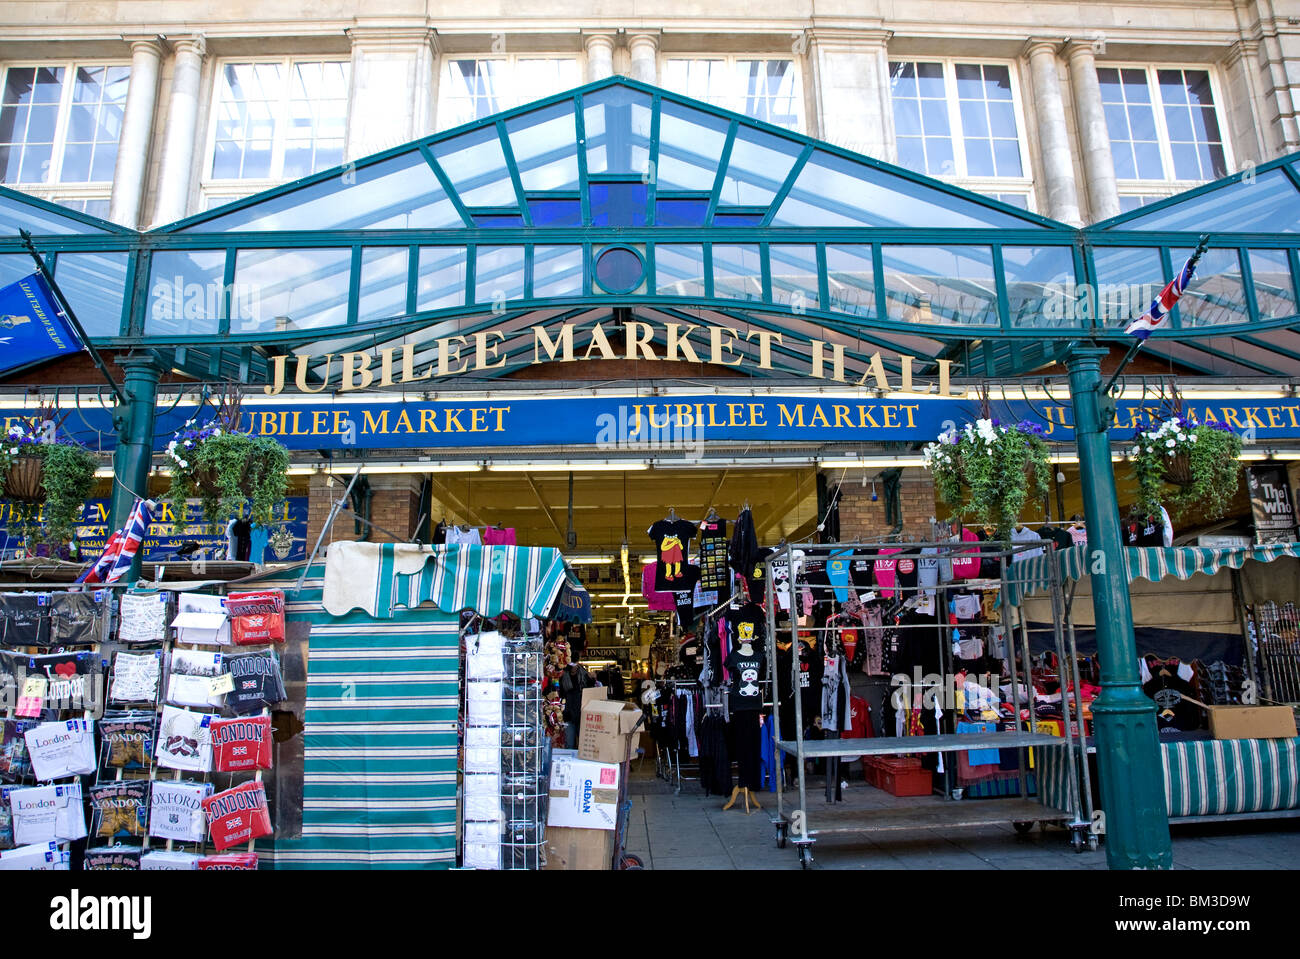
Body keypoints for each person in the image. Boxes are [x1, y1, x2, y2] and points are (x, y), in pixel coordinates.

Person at [558, 662, 595, 749]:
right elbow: (561, 694)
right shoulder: (563, 676)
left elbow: (591, 690)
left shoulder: (584, 675)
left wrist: (592, 679)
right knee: (569, 743)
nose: (574, 667)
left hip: (581, 713)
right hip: (568, 713)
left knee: (583, 743)